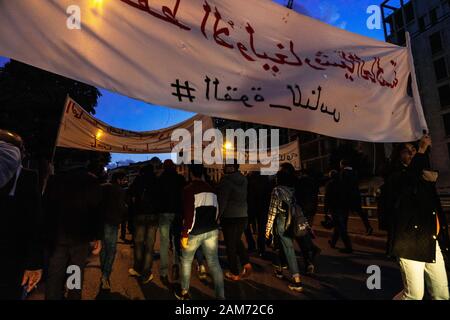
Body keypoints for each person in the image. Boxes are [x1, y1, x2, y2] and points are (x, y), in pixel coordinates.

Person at [386, 136, 449, 300]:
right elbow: (408, 180)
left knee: (441, 293)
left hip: (430, 240)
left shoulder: (423, 176)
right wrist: (421, 150)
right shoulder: (396, 177)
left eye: (414, 150)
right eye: (407, 151)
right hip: (409, 242)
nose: (412, 153)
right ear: (399, 156)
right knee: (414, 295)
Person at [43, 155, 103, 300]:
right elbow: (96, 211)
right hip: (80, 237)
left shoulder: (54, 180)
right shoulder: (91, 181)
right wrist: (97, 237)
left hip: (57, 236)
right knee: (75, 272)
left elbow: (46, 209)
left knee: (54, 275)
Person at [0, 130, 43, 300]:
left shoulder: (27, 177)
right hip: (12, 261)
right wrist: (34, 264)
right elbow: (34, 223)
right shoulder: (27, 177)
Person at [176, 164, 224, 300]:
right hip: (212, 230)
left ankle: (184, 292)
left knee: (186, 261)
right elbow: (217, 211)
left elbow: (189, 214)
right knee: (214, 263)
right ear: (203, 173)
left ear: (191, 174)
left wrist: (185, 234)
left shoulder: (188, 190)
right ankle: (221, 295)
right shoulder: (212, 190)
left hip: (194, 232)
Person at [265, 165, 303, 292]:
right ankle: (279, 270)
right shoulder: (294, 189)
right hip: (292, 222)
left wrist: (267, 230)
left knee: (288, 250)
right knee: (282, 247)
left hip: (281, 222)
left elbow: (272, 212)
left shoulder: (277, 190)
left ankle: (297, 281)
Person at [217, 163, 252, 281]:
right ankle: (246, 263)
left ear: (231, 167)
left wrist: (217, 216)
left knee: (230, 245)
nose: (224, 167)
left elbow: (223, 201)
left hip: (230, 216)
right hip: (243, 215)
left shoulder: (225, 181)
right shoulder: (244, 179)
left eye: (226, 165)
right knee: (237, 240)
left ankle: (234, 272)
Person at [127, 164, 159, 284]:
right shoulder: (156, 181)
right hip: (153, 216)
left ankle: (137, 268)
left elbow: (129, 193)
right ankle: (146, 272)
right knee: (149, 245)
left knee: (138, 243)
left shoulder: (138, 180)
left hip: (139, 214)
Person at [157, 159, 186, 285]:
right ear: (174, 167)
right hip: (178, 212)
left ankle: (163, 272)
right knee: (176, 240)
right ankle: (176, 264)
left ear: (164, 167)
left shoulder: (159, 179)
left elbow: (156, 196)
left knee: (164, 242)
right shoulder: (180, 179)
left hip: (164, 212)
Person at [99, 171, 128, 291]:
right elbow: (122, 207)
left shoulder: (102, 188)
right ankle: (105, 275)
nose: (124, 182)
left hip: (101, 222)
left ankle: (103, 272)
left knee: (103, 249)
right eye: (123, 179)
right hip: (112, 222)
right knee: (111, 250)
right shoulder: (120, 191)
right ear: (118, 180)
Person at [247, 171, 272, 258]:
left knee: (246, 226)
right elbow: (269, 193)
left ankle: (252, 245)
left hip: (252, 207)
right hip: (263, 207)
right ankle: (261, 249)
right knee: (262, 229)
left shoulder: (249, 178)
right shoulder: (266, 179)